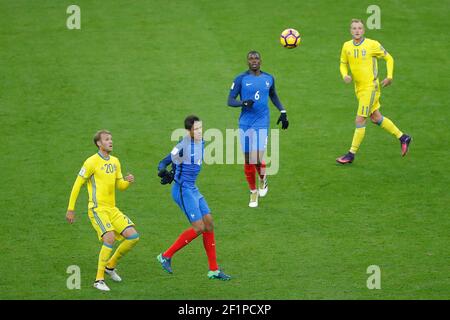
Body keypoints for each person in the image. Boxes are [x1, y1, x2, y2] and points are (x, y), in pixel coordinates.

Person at [156, 115, 231, 281]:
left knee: (209, 223)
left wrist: (175, 170)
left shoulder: (201, 141)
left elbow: (180, 163)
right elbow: (163, 162)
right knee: (199, 227)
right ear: (188, 131)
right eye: (196, 129)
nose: (199, 131)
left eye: (200, 128)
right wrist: (164, 172)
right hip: (182, 190)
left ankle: (214, 270)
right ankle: (165, 256)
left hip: (193, 188)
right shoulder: (183, 145)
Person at [66, 130, 139, 291]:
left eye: (111, 139)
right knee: (110, 238)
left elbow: (119, 186)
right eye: (107, 139)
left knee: (133, 236)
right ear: (99, 143)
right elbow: (77, 185)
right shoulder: (91, 162)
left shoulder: (115, 161)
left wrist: (127, 181)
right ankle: (98, 280)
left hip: (112, 209)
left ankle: (110, 266)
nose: (110, 141)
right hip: (97, 209)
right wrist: (71, 209)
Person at [336, 19, 411, 164]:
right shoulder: (346, 46)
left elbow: (389, 58)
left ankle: (351, 154)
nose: (357, 31)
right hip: (359, 88)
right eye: (354, 28)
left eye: (359, 28)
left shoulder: (372, 44)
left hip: (370, 88)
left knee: (360, 119)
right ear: (350, 31)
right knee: (376, 117)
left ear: (363, 30)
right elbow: (343, 63)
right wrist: (344, 75)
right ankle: (403, 137)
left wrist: (389, 76)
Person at [228, 50, 289, 207]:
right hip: (245, 123)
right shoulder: (241, 79)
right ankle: (253, 191)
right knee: (248, 159)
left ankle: (262, 179)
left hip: (262, 122)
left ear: (261, 61)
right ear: (247, 62)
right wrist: (243, 103)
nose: (254, 60)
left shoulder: (269, 78)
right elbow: (230, 100)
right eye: (251, 58)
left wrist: (283, 111)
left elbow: (273, 95)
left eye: (256, 58)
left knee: (256, 156)